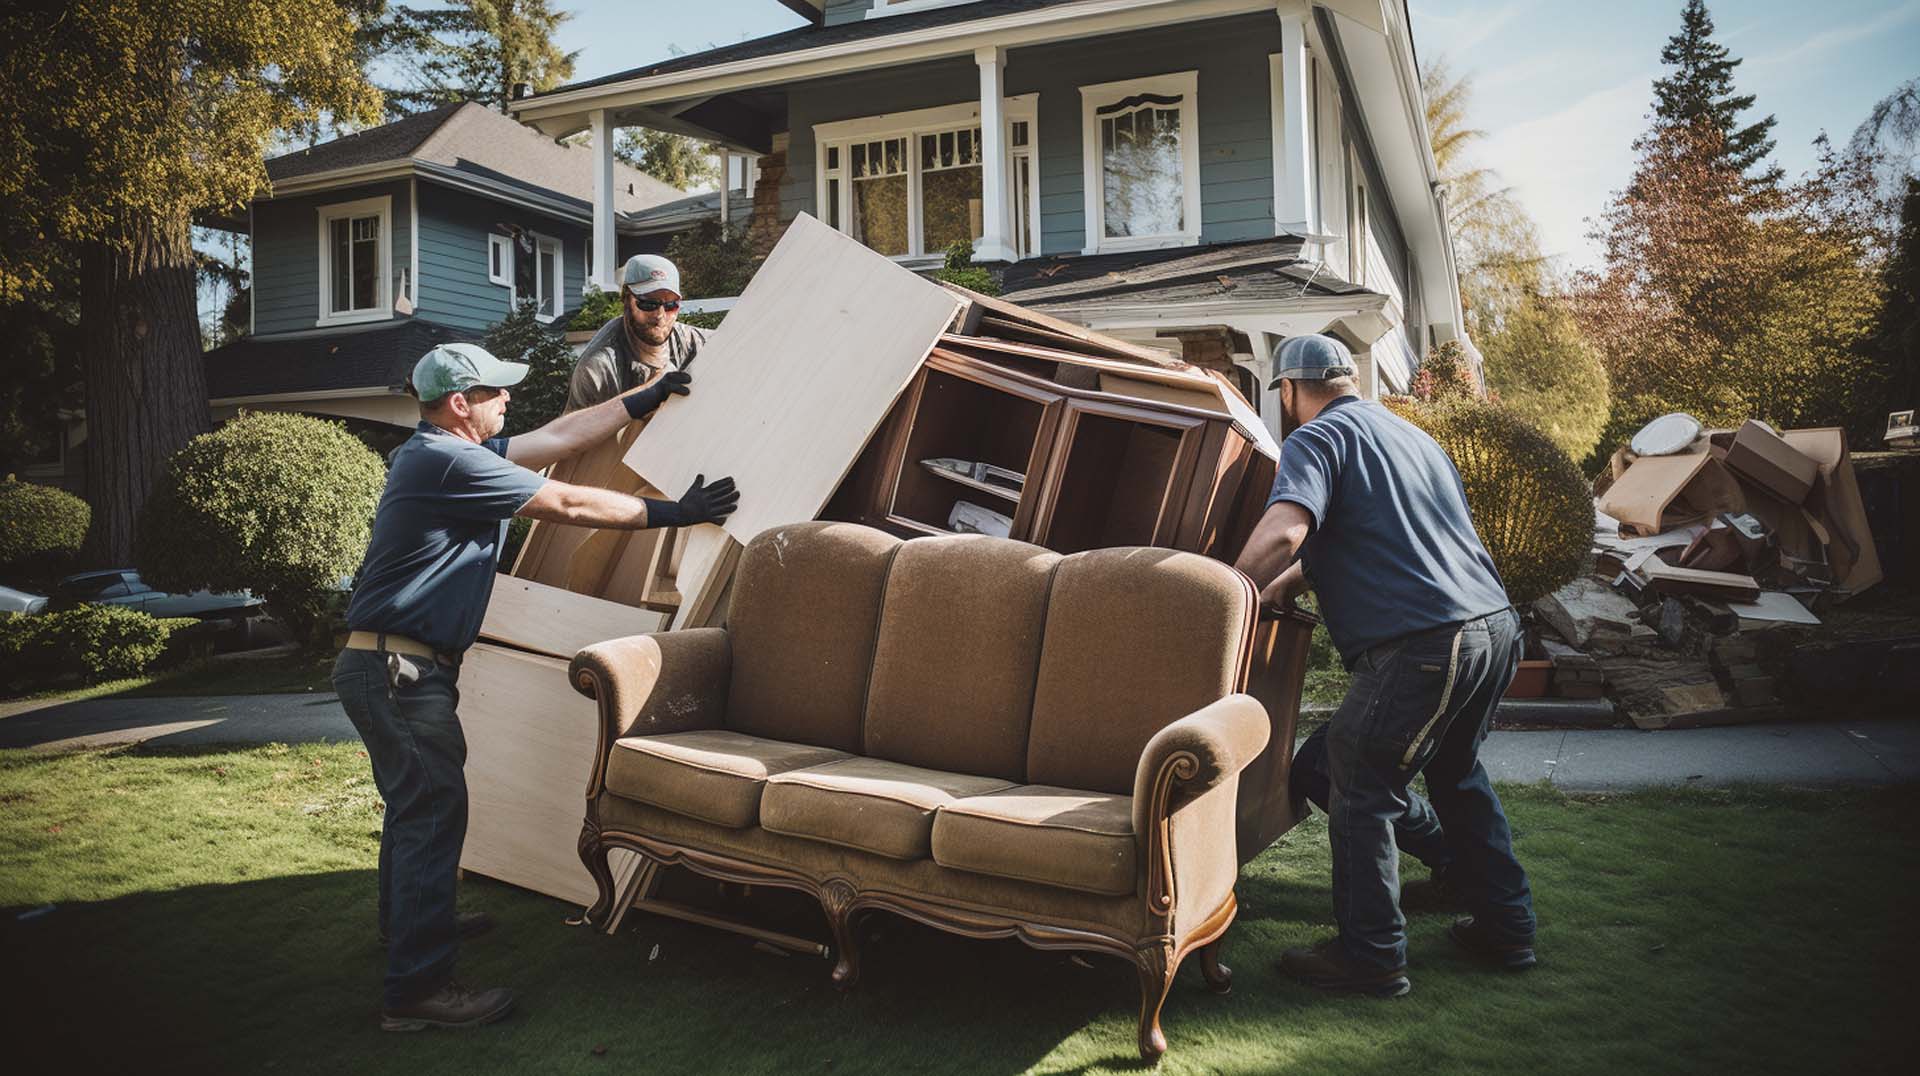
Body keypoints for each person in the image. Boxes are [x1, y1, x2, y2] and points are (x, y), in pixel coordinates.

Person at [334, 342, 739, 1032]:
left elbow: (560, 437)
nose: (507, 398)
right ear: (460, 403)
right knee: (433, 813)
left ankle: (409, 929)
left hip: (392, 666)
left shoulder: (452, 454)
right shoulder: (450, 461)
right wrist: (679, 512)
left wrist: (641, 399)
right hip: (400, 671)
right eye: (496, 391)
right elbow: (568, 499)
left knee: (417, 811)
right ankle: (417, 991)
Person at [1234, 333, 1536, 998]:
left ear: (1288, 390)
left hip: (1425, 643)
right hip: (1494, 629)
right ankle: (1504, 924)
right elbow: (1381, 535)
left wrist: (1228, 589)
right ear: (1349, 378)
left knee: (1360, 789)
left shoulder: (1315, 438)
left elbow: (1287, 528)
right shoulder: (1409, 437)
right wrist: (1287, 584)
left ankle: (1370, 957)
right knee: (1449, 773)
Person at [567, 254, 710, 411]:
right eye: (648, 304)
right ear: (626, 299)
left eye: (671, 305)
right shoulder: (598, 368)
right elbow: (577, 432)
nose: (660, 315)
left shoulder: (695, 342)